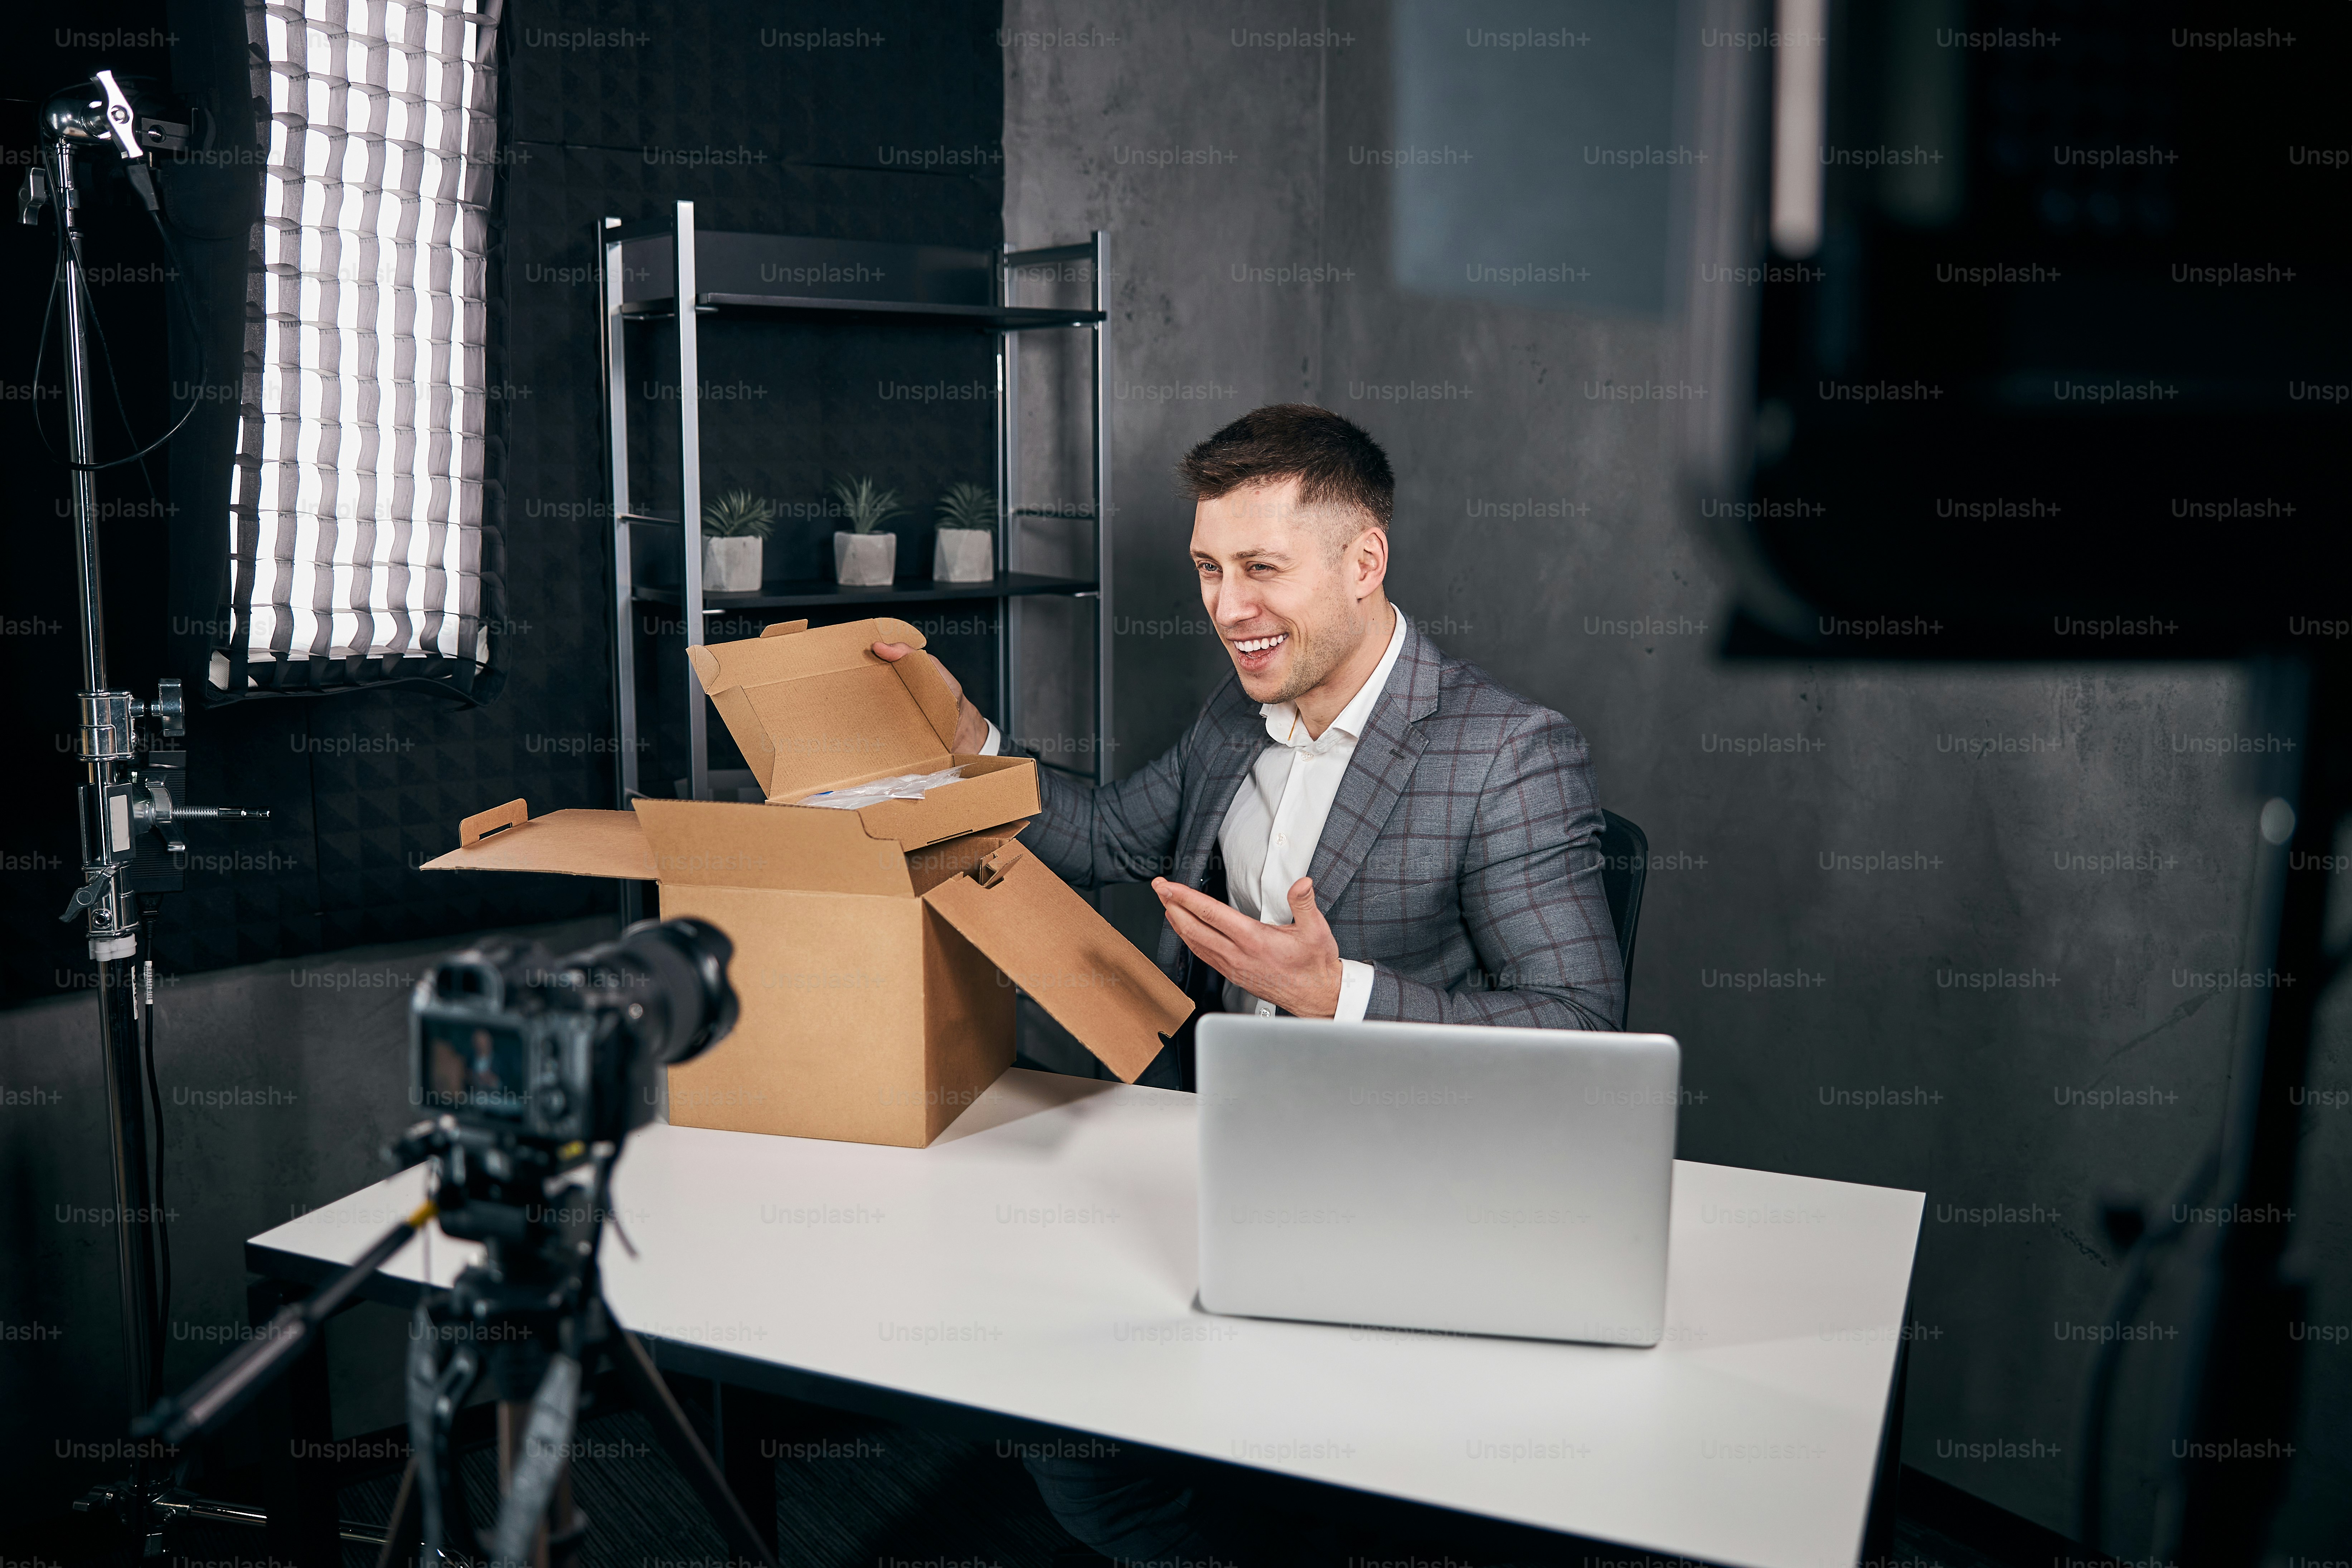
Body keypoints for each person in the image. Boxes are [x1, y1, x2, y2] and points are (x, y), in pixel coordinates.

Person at [871, 403, 1624, 1564]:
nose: (1228, 608)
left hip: (1395, 1191)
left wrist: (1343, 997)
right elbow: (1115, 837)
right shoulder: (1238, 711)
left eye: (1262, 568)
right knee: (1063, 1425)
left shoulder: (1509, 754)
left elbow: (1577, 1028)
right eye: (1210, 569)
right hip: (1196, 1150)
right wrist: (967, 740)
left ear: (1363, 562)